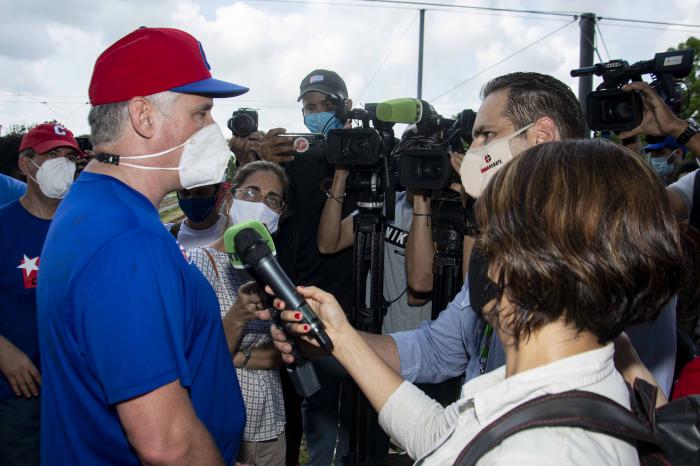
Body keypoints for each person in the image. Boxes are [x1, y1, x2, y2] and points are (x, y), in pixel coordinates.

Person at [274, 138, 684, 464]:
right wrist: (341, 339)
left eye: (489, 231)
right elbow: (439, 433)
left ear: (523, 260)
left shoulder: (537, 453)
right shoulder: (564, 381)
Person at [273, 71, 679, 398]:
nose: (473, 153)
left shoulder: (616, 243)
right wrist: (331, 338)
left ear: (541, 136)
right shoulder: (503, 245)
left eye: (487, 135)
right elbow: (436, 349)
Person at [36, 27, 249, 465]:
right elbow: (166, 443)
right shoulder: (127, 243)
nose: (214, 127)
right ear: (144, 117)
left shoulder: (93, 202)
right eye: (202, 112)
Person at [190, 160, 288, 466]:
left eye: (272, 199)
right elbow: (199, 358)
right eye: (252, 193)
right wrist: (237, 316)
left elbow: (286, 353)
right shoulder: (198, 264)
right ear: (231, 199)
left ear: (279, 214)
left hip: (269, 422)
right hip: (217, 424)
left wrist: (236, 357)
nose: (261, 204)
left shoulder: (273, 272)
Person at [0, 123, 80, 466]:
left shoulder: (84, 226)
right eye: (51, 155)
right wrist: (3, 352)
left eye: (69, 156)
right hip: (19, 392)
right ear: (26, 164)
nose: (62, 163)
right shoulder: (3, 226)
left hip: (78, 388)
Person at [167, 182, 229, 250]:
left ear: (218, 193)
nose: (191, 200)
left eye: (202, 192)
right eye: (185, 193)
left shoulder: (235, 231)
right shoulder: (167, 235)